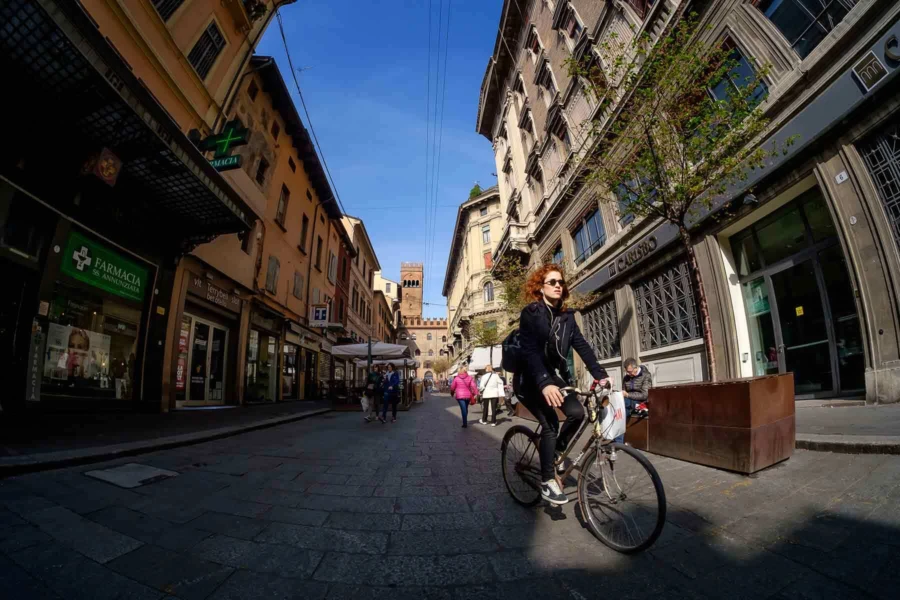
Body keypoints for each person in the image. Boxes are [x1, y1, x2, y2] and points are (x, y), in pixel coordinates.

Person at [516, 264, 608, 506]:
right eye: (552, 282)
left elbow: (581, 345)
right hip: (529, 378)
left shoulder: (567, 317)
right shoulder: (532, 312)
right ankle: (547, 481)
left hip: (552, 376)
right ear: (540, 287)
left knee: (578, 413)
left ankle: (555, 451)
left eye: (561, 282)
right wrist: (544, 383)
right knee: (550, 423)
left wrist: (600, 374)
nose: (558, 285)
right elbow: (530, 351)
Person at [615, 358, 652, 442]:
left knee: (623, 407)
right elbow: (624, 391)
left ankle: (618, 442)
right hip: (628, 401)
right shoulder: (626, 378)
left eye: (630, 371)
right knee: (617, 407)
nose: (629, 374)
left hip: (641, 401)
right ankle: (616, 438)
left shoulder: (646, 376)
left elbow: (645, 395)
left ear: (636, 367)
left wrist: (627, 395)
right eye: (627, 372)